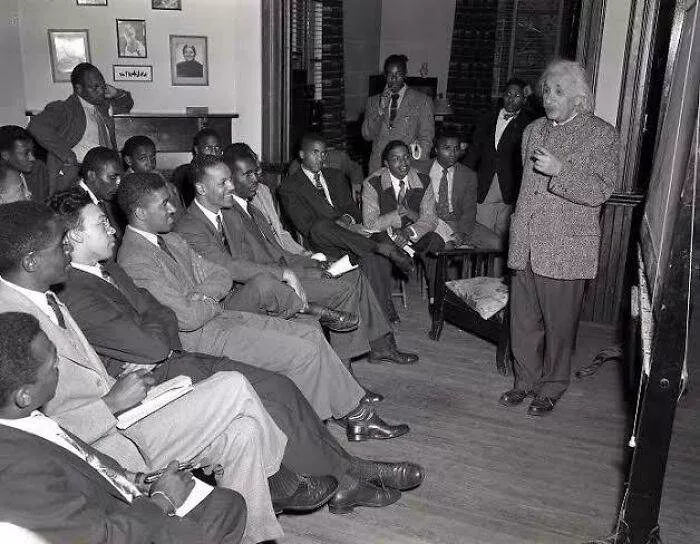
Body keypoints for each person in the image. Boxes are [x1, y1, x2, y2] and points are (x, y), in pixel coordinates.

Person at [48, 187, 420, 514]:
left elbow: (188, 294)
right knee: (272, 390)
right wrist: (165, 315)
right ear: (73, 238)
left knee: (282, 385)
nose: (111, 226)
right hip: (157, 376)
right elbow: (160, 333)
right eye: (101, 223)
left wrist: (169, 311)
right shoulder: (82, 287)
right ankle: (344, 479)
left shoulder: (109, 268)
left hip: (176, 355)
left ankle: (346, 466)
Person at [0, 201, 319, 543]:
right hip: (108, 444)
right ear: (31, 261)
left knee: (244, 431)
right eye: (61, 244)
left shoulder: (43, 294)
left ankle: (258, 536)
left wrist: (123, 385)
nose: (69, 250)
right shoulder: (12, 323)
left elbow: (142, 325)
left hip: (126, 416)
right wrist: (110, 403)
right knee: (233, 384)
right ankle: (279, 478)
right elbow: (37, 434)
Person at [116, 172, 410, 440]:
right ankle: (320, 432)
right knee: (302, 351)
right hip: (199, 340)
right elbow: (189, 318)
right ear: (141, 212)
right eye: (164, 204)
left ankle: (350, 415)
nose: (172, 209)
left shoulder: (170, 239)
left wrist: (201, 294)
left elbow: (219, 274)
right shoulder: (135, 260)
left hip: (220, 318)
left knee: (309, 333)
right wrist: (208, 298)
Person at [0, 312, 247, 544]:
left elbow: (83, 459)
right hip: (121, 527)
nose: (59, 368)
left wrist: (139, 480)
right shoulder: (17, 473)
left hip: (119, 503)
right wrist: (163, 501)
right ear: (24, 395)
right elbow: (102, 537)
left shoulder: (22, 417)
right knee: (221, 514)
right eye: (53, 365)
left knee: (227, 502)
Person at [175, 153, 418, 367]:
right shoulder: (196, 223)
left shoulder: (238, 211)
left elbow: (276, 250)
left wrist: (312, 260)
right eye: (224, 181)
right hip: (240, 295)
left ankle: (377, 348)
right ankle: (345, 369)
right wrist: (289, 273)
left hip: (269, 276)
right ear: (201, 188)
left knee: (352, 274)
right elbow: (232, 266)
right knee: (344, 286)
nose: (232, 186)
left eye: (231, 179)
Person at [499, 60, 618, 416]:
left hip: (566, 247)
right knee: (523, 322)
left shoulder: (602, 134)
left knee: (559, 326)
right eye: (546, 90)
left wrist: (560, 171)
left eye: (558, 91)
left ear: (579, 99)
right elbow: (526, 186)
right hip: (526, 243)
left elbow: (600, 190)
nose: (549, 97)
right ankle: (525, 382)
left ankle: (552, 387)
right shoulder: (533, 129)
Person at [278, 133, 415, 327]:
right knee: (321, 226)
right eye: (315, 153)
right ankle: (386, 251)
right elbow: (305, 225)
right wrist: (337, 222)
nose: (321, 158)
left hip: (352, 234)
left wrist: (348, 219)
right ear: (302, 154)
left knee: (376, 241)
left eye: (324, 153)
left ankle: (382, 309)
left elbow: (353, 210)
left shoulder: (335, 176)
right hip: (322, 240)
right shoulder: (290, 186)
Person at [414, 130, 502, 302]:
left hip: (458, 221)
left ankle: (486, 298)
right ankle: (438, 297)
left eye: (456, 148)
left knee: (497, 243)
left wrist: (463, 233)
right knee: (439, 248)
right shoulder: (419, 170)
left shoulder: (468, 175)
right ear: (436, 149)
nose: (453, 153)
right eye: (447, 148)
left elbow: (470, 210)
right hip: (430, 222)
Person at [362, 140, 442, 320]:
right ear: (386, 163)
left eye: (406, 157)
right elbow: (370, 224)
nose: (403, 163)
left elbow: (430, 218)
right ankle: (383, 304)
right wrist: (395, 219)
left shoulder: (423, 180)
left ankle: (436, 300)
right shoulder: (372, 183)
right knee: (379, 250)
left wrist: (409, 232)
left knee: (436, 243)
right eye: (396, 159)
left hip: (413, 233)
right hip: (385, 235)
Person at [27, 63, 133, 193]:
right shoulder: (64, 109)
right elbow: (36, 125)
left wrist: (116, 92)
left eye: (102, 85)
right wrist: (66, 155)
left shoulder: (103, 106)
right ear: (79, 89)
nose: (101, 90)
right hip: (78, 174)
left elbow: (126, 104)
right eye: (94, 87)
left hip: (107, 173)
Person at [463, 78, 533, 246]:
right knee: (481, 235)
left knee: (504, 241)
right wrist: (462, 177)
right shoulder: (487, 118)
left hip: (511, 189)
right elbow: (474, 150)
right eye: (508, 94)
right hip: (485, 186)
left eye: (516, 95)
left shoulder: (530, 124)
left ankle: (497, 273)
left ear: (524, 99)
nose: (511, 98)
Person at [361, 54, 435, 173]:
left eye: (398, 74)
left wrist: (414, 159)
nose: (394, 79)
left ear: (405, 74)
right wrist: (380, 109)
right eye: (390, 75)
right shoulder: (373, 101)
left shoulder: (422, 101)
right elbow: (367, 135)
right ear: (385, 75)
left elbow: (426, 138)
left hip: (408, 166)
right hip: (379, 167)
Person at [122, 135, 186, 222]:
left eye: (153, 157)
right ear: (129, 160)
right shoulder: (127, 186)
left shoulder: (156, 176)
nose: (150, 163)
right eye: (143, 158)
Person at [76, 146, 127, 241]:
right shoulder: (76, 205)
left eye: (120, 178)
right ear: (91, 176)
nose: (118, 183)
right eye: (113, 177)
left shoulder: (105, 199)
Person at [171, 127, 224, 206]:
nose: (213, 153)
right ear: (196, 150)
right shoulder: (184, 174)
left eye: (217, 148)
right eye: (207, 148)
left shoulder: (225, 173)